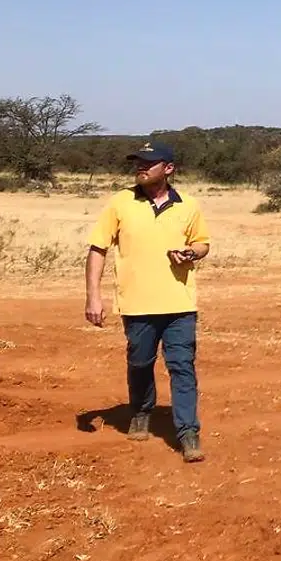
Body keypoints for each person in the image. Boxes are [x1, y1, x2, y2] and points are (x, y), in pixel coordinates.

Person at [84, 142, 212, 462]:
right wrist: (93, 296)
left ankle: (188, 432)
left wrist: (191, 253)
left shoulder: (189, 205)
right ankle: (141, 410)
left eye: (148, 163)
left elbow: (202, 243)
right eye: (138, 163)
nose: (140, 168)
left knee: (182, 366)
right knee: (140, 362)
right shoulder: (120, 202)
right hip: (137, 304)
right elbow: (98, 249)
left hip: (179, 304)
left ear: (168, 168)